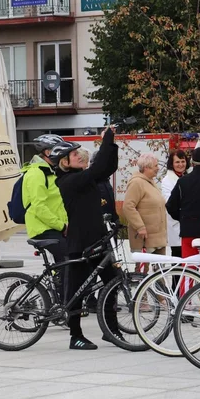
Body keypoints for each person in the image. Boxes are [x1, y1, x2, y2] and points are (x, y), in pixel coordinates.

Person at [54, 126, 120, 350]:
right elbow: (97, 168)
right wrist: (106, 139)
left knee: (113, 282)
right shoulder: (68, 181)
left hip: (97, 241)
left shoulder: (84, 177)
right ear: (64, 162)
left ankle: (111, 330)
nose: (80, 156)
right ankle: (76, 336)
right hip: (80, 244)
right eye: (74, 155)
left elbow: (107, 167)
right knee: (77, 292)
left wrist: (111, 144)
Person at [166, 146, 200, 263]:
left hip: (188, 230)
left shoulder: (182, 181)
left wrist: (182, 217)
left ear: (192, 163)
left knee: (189, 271)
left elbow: (170, 206)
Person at [22, 134, 69, 264]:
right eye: (59, 151)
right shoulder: (37, 173)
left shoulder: (51, 172)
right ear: (48, 152)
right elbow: (39, 206)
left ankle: (59, 282)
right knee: (69, 258)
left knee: (73, 259)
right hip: (43, 229)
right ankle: (63, 284)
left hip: (53, 227)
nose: (63, 155)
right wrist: (62, 226)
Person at [122, 153, 168, 254]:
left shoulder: (150, 182)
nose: (158, 168)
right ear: (146, 167)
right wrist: (140, 227)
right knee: (143, 270)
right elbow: (128, 206)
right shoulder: (136, 183)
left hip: (156, 239)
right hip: (144, 239)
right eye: (155, 166)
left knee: (160, 269)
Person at [161, 150, 190, 257]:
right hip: (175, 222)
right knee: (177, 256)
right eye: (177, 162)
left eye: (183, 161)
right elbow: (169, 202)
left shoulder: (188, 177)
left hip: (188, 224)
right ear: (172, 164)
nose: (181, 164)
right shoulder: (167, 180)